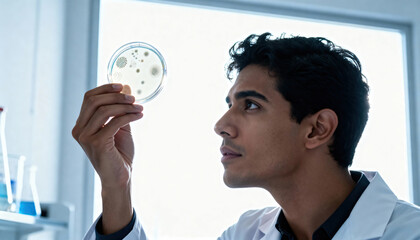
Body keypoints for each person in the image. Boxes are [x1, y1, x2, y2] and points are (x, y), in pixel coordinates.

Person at [73, 33, 420, 240]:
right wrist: (116, 187)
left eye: (250, 105)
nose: (221, 124)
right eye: (229, 104)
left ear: (317, 129)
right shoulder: (246, 233)